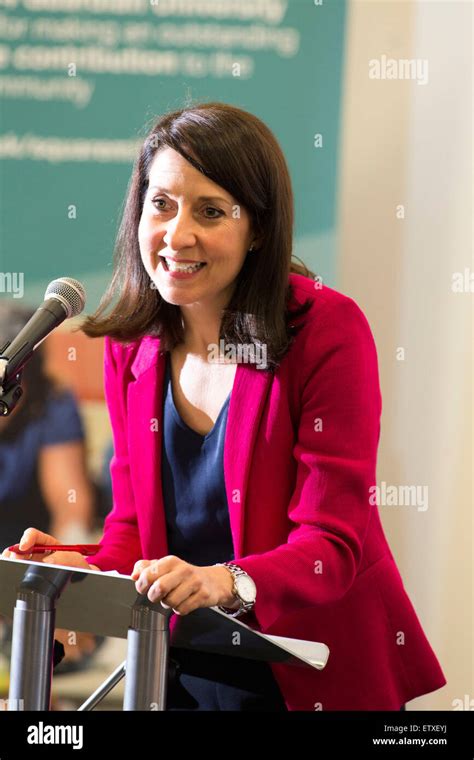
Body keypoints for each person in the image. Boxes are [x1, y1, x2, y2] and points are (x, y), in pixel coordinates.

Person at [2, 102, 447, 711]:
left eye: (210, 211)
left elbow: (331, 545)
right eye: (160, 204)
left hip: (314, 673)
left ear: (258, 228)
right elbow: (135, 534)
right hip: (184, 669)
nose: (177, 235)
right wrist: (69, 569)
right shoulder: (132, 349)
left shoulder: (327, 330)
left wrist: (226, 580)